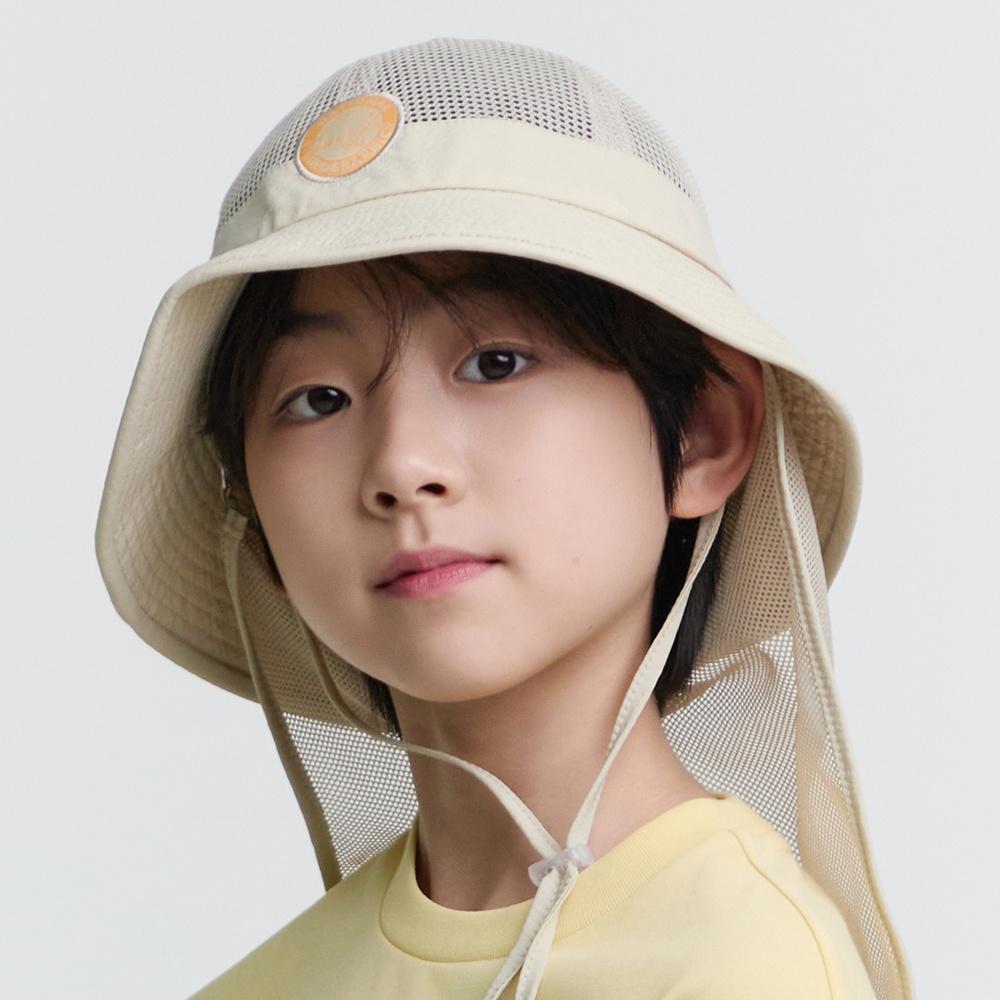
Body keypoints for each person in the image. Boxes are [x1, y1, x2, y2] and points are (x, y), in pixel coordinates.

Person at [95, 36, 913, 1000]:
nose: (401, 467)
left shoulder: (742, 967)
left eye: (495, 364)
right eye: (317, 399)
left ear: (699, 430)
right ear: (250, 503)